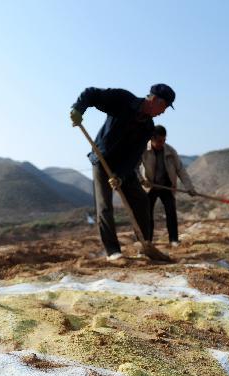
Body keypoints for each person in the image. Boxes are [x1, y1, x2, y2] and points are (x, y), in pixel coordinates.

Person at [70, 84, 174, 260]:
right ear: (155, 100)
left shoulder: (148, 127)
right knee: (104, 207)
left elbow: (134, 156)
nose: (163, 112)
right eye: (164, 106)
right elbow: (91, 94)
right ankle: (113, 251)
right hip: (102, 159)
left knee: (141, 201)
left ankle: (145, 245)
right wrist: (78, 108)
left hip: (123, 168)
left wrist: (121, 176)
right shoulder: (123, 99)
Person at [139, 125, 195, 246]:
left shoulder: (170, 151)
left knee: (171, 212)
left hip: (167, 186)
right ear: (152, 139)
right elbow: (134, 167)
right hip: (150, 187)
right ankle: (148, 241)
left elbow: (180, 170)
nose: (162, 143)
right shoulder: (143, 150)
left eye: (164, 140)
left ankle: (174, 240)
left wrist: (189, 187)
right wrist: (142, 180)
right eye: (159, 141)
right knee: (147, 215)